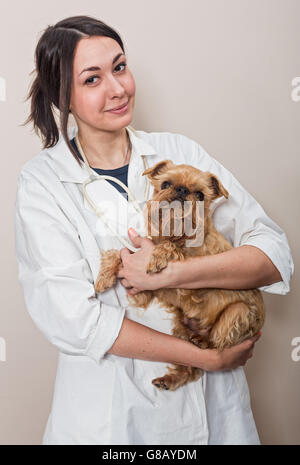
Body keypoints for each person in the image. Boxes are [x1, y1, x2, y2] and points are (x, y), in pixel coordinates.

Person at [14, 15, 294, 445]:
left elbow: (273, 253)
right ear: (61, 95)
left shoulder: (181, 153)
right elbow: (73, 319)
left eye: (120, 67)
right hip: (111, 419)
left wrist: (171, 274)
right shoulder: (43, 183)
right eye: (92, 79)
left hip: (212, 415)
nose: (118, 88)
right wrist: (206, 358)